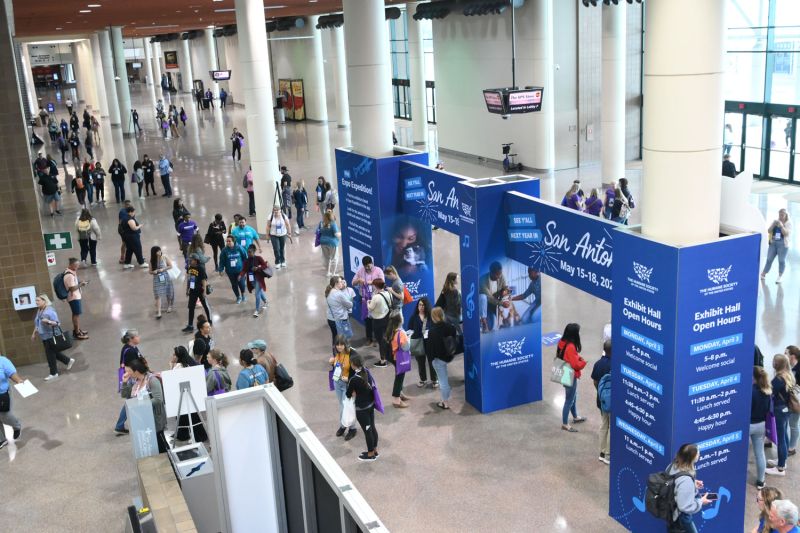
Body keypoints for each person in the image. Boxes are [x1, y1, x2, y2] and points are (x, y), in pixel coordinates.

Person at [120, 358, 169, 453]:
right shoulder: (135, 381)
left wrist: (141, 404)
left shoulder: (152, 380)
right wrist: (125, 381)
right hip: (143, 420)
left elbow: (159, 399)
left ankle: (169, 462)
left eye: (129, 371)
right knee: (150, 445)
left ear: (136, 371)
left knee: (161, 444)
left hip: (155, 419)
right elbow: (125, 394)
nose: (127, 374)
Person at [666, 443, 713, 533]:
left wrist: (693, 483)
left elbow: (675, 484)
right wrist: (701, 501)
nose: (699, 454)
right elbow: (685, 507)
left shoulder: (673, 465)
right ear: (692, 457)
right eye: (698, 453)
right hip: (681, 517)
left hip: (670, 512)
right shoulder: (686, 480)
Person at [31, 294, 75, 381]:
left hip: (51, 336)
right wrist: (34, 333)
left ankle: (53, 373)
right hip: (44, 336)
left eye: (38, 300)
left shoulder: (50, 311)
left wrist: (48, 321)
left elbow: (58, 323)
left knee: (50, 355)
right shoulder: (39, 310)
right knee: (53, 353)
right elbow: (37, 323)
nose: (36, 302)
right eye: (36, 300)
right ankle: (68, 361)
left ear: (44, 301)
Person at [345, 353, 379, 462]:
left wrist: (354, 392)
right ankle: (375, 450)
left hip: (361, 409)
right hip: (370, 405)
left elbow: (348, 394)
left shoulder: (354, 379)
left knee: (367, 430)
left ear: (354, 365)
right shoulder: (367, 372)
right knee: (372, 427)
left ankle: (370, 455)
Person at [767, 354, 795, 476]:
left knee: (781, 438)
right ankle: (783, 460)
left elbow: (769, 391)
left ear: (776, 364)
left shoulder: (778, 379)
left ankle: (780, 468)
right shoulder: (789, 376)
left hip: (779, 410)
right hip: (787, 409)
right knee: (785, 435)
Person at [557, 323, 587, 432]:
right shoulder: (571, 346)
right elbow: (575, 365)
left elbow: (567, 356)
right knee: (569, 399)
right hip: (569, 374)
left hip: (565, 371)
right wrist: (583, 362)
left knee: (573, 396)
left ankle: (575, 417)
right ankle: (565, 424)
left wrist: (576, 356)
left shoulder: (562, 342)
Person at [429, 306, 460, 409]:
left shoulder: (432, 331)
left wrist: (431, 359)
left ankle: (445, 402)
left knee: (443, 382)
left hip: (439, 359)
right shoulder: (450, 327)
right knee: (444, 378)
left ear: (433, 317)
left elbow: (431, 349)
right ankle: (445, 397)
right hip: (449, 356)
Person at [352, 256, 385, 348]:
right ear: (363, 266)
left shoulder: (378, 271)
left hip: (376, 299)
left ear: (372, 263)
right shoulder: (360, 271)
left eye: (369, 266)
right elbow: (353, 282)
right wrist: (358, 280)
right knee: (368, 320)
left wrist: (372, 282)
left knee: (377, 319)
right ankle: (369, 338)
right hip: (365, 299)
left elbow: (382, 283)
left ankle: (378, 338)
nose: (368, 268)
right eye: (366, 267)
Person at [330, 335, 358, 440]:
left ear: (345, 344)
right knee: (342, 405)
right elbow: (338, 366)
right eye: (337, 344)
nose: (339, 347)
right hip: (337, 382)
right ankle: (343, 425)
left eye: (341, 344)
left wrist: (349, 378)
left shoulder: (352, 354)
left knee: (347, 407)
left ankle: (352, 428)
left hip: (348, 384)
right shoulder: (336, 352)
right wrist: (332, 362)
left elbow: (358, 370)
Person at [591, 340, 612, 464]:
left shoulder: (598, 363)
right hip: (613, 403)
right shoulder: (615, 364)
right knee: (612, 427)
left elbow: (594, 381)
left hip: (602, 401)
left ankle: (602, 452)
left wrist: (601, 394)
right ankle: (608, 455)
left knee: (604, 425)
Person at [751, 366, 772, 489]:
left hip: (749, 425)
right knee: (760, 454)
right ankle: (761, 481)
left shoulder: (751, 391)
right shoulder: (767, 391)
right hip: (761, 425)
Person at [408, 297, 436, 389]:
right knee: (420, 362)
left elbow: (436, 328)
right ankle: (423, 379)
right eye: (419, 305)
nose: (421, 307)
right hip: (418, 343)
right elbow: (409, 329)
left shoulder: (431, 316)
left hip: (430, 343)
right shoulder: (414, 317)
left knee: (432, 362)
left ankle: (434, 380)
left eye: (423, 305)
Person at [386, 313, 411, 408]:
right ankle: (396, 399)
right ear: (400, 320)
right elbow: (406, 347)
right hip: (399, 358)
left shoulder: (391, 330)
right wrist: (408, 339)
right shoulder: (401, 333)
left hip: (393, 357)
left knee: (398, 375)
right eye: (402, 316)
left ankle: (400, 393)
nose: (403, 317)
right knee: (399, 378)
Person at [0, 353, 24, 449]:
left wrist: (19, 381)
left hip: (3, 393)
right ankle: (1, 439)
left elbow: (12, 374)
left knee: (5, 415)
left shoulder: (3, 361)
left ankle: (16, 425)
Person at [761, 209, 792, 283]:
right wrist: (773, 224)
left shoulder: (789, 223)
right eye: (779, 214)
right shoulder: (776, 221)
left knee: (781, 260)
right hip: (774, 242)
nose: (780, 216)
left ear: (786, 215)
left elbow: (786, 234)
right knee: (769, 259)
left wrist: (781, 226)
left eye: (782, 215)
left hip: (783, 244)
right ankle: (763, 274)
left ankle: (780, 276)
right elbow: (769, 230)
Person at [183, 254, 212, 333]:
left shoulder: (200, 268)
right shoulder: (190, 268)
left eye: (191, 259)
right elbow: (189, 279)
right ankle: (190, 325)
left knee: (205, 305)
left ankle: (209, 320)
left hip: (200, 290)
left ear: (195, 260)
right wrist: (187, 289)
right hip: (192, 290)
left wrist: (205, 291)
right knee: (191, 307)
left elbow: (204, 280)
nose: (189, 261)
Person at [63, 258, 90, 340]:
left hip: (75, 296)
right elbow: (71, 289)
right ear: (71, 265)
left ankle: (77, 330)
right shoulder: (69, 275)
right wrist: (81, 284)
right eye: (76, 265)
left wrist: (79, 283)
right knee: (76, 315)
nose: (78, 267)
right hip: (73, 297)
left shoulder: (70, 272)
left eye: (78, 265)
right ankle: (77, 333)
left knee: (76, 314)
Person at [368, 279, 392, 368]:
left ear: (376, 286)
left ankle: (383, 361)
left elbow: (370, 308)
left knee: (380, 340)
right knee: (386, 339)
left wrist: (368, 303)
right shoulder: (388, 293)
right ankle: (389, 356)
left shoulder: (376, 297)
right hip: (387, 319)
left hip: (378, 321)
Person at [241, 244, 270, 318]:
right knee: (259, 292)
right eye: (248, 252)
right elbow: (244, 269)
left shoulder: (258, 258)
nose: (248, 254)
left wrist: (258, 268)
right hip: (252, 279)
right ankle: (266, 302)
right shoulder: (246, 261)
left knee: (257, 294)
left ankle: (257, 310)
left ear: (254, 252)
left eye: (250, 252)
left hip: (259, 279)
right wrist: (240, 275)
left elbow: (265, 265)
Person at [326, 276, 356, 345]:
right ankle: (342, 355)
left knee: (335, 338)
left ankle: (336, 354)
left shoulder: (329, 291)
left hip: (331, 319)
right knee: (342, 340)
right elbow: (350, 305)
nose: (342, 283)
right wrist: (350, 300)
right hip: (339, 320)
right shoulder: (339, 294)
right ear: (336, 284)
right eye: (340, 282)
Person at [217, 235, 248, 303]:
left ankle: (243, 295)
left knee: (242, 284)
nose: (228, 242)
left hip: (240, 270)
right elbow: (222, 261)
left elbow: (245, 257)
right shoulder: (224, 250)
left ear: (233, 241)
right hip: (230, 271)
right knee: (234, 285)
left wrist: (246, 268)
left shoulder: (239, 248)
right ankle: (238, 297)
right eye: (227, 241)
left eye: (229, 241)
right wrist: (221, 269)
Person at [479, 261, 508, 332]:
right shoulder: (482, 280)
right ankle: (484, 323)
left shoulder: (501, 276)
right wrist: (502, 303)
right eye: (497, 274)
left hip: (495, 303)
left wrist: (505, 292)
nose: (499, 277)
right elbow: (489, 298)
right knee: (483, 296)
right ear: (491, 272)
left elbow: (505, 288)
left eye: (500, 274)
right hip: (484, 305)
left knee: (505, 299)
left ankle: (502, 320)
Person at [149, 246, 175, 319]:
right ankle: (159, 312)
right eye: (158, 251)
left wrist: (163, 269)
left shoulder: (164, 257)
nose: (160, 252)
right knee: (158, 294)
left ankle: (169, 305)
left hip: (166, 277)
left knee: (168, 291)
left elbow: (170, 266)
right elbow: (150, 271)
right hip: (157, 279)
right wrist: (153, 272)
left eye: (160, 251)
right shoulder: (152, 261)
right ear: (154, 253)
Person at [319, 211, 341, 276]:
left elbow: (319, 231)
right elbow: (336, 234)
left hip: (323, 242)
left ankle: (328, 272)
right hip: (332, 243)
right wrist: (342, 233)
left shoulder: (322, 223)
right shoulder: (333, 224)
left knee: (327, 258)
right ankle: (333, 273)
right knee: (334, 258)